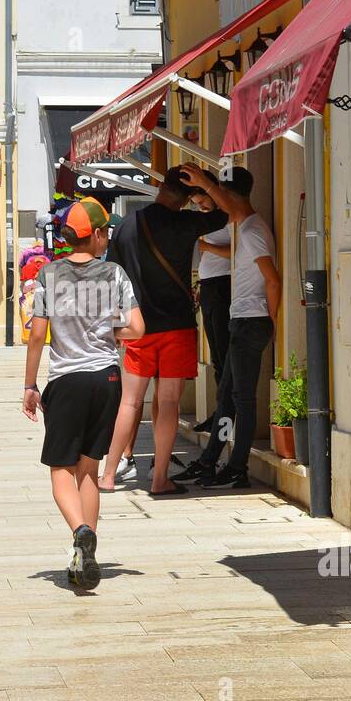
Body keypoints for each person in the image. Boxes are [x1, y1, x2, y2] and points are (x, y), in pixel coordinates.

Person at [98, 163, 244, 495]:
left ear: (160, 186)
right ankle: (160, 478)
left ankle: (108, 476)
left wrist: (117, 323)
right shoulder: (186, 223)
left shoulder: (126, 226)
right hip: (176, 327)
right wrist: (207, 184)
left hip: (138, 327)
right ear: (190, 196)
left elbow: (113, 278)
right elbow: (234, 212)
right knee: (168, 404)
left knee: (129, 403)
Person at [23, 198, 143, 589]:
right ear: (94, 235)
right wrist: (109, 333)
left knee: (61, 469)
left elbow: (38, 333)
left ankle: (79, 532)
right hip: (107, 378)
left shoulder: (49, 275)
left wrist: (29, 385)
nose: (108, 238)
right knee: (89, 468)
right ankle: (85, 549)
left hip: (67, 380)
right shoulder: (115, 274)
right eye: (105, 232)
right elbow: (137, 329)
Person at [174, 165, 281, 489]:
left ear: (232, 196)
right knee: (227, 398)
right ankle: (210, 460)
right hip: (243, 321)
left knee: (242, 400)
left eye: (221, 197)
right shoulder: (244, 227)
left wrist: (271, 322)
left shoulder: (252, 231)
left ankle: (237, 468)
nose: (216, 204)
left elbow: (272, 279)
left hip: (252, 321)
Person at [192, 190, 232, 433]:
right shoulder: (208, 219)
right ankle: (221, 413)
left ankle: (226, 415)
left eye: (203, 201)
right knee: (217, 355)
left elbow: (235, 250)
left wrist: (206, 246)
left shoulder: (228, 217)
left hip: (222, 286)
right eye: (196, 204)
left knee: (224, 355)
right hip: (208, 287)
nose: (201, 207)